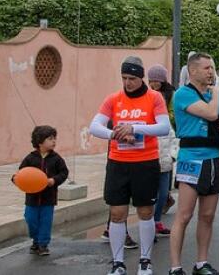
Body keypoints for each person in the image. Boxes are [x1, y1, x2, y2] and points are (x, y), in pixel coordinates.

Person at [90, 56, 171, 275]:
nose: (128, 83)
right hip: (118, 163)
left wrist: (134, 128)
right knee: (117, 213)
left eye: (132, 78)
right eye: (124, 78)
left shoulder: (154, 98)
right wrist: (114, 134)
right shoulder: (113, 99)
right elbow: (94, 126)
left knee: (145, 211)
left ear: (141, 76)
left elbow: (164, 127)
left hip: (145, 163)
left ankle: (145, 260)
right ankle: (118, 263)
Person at [168, 53, 219, 275]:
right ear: (193, 71)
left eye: (212, 68)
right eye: (207, 68)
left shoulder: (216, 95)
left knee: (207, 215)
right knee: (184, 214)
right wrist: (215, 93)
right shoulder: (182, 94)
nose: (211, 72)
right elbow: (210, 113)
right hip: (191, 159)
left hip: (213, 159)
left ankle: (201, 263)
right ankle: (175, 266)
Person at [15, 125, 68, 257]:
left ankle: (43, 244)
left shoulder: (56, 158)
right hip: (32, 198)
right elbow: (21, 173)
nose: (54, 141)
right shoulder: (30, 158)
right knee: (30, 218)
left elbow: (64, 173)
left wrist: (54, 180)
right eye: (50, 139)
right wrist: (15, 178)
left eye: (55, 138)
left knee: (45, 221)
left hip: (48, 198)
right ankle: (35, 239)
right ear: (40, 142)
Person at [148, 65, 178, 236]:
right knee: (150, 195)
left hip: (165, 160)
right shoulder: (145, 122)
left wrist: (173, 156)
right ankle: (149, 222)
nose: (153, 84)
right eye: (151, 81)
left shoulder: (171, 94)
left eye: (156, 81)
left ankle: (157, 220)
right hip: (150, 161)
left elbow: (174, 140)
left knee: (163, 192)